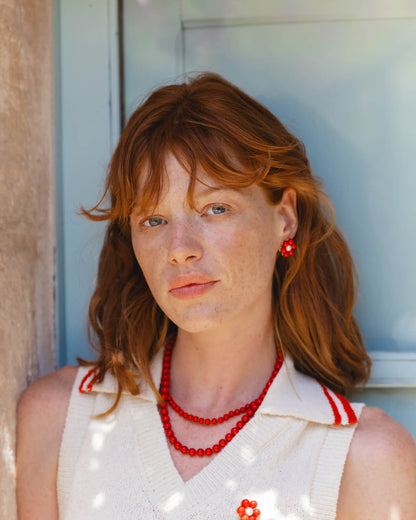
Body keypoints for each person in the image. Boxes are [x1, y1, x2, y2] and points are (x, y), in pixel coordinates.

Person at [16, 73, 416, 520]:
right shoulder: (60, 418)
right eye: (152, 220)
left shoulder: (362, 458)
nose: (180, 248)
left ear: (284, 219)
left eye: (215, 209)